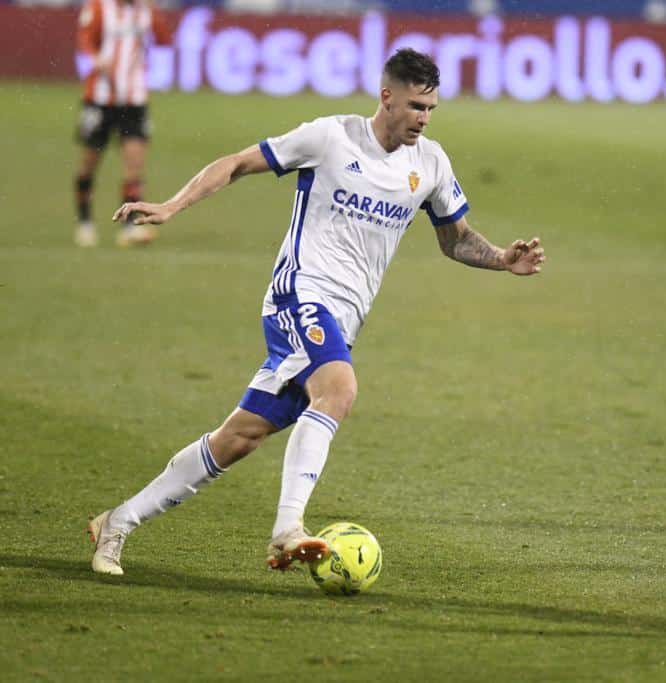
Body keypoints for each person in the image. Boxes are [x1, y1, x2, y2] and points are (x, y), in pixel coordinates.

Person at [88, 48, 545, 575]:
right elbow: (238, 163)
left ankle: (117, 522)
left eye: (431, 108)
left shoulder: (431, 163)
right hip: (298, 295)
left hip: (342, 321)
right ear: (387, 97)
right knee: (340, 389)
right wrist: (170, 205)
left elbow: (456, 239)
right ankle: (287, 529)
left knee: (240, 437)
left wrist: (501, 261)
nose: (423, 117)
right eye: (416, 105)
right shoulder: (331, 138)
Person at [74, 0, 172, 248]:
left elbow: (163, 39)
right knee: (88, 165)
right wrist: (96, 58)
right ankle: (85, 221)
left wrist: (154, 15)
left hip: (134, 99)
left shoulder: (145, 10)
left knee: (134, 166)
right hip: (100, 98)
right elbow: (85, 39)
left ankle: (129, 228)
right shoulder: (99, 7)